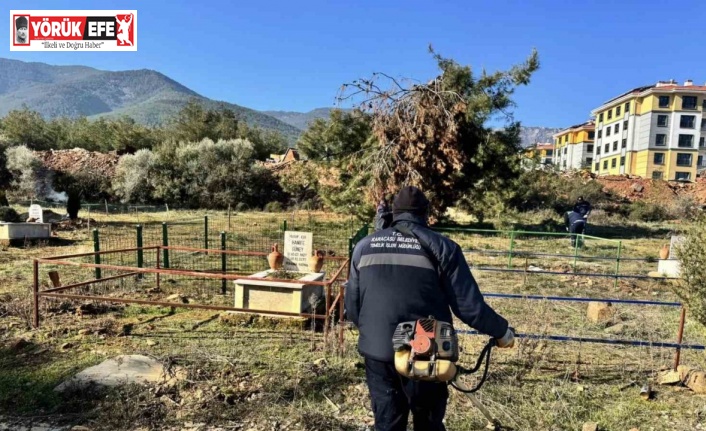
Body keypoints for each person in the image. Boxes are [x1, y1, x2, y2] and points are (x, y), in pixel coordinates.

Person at [345, 186, 514, 431]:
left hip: (378, 352)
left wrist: (376, 334)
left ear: (394, 212)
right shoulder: (443, 247)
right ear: (425, 214)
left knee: (387, 423)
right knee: (428, 422)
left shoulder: (364, 246)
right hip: (426, 351)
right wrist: (501, 331)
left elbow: (352, 306)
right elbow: (469, 307)